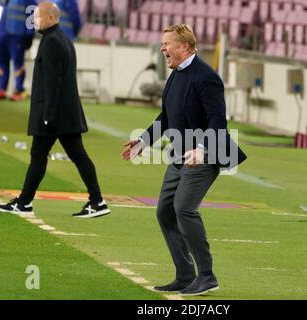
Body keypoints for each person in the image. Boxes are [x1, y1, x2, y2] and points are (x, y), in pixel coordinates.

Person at [121, 24, 246, 296]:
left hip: (205, 154)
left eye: (168, 44)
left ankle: (207, 276)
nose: (163, 48)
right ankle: (186, 275)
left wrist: (201, 148)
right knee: (165, 211)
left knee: (184, 208)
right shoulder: (176, 75)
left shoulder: (207, 77)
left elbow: (217, 121)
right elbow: (165, 118)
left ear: (186, 47)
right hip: (180, 154)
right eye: (162, 43)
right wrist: (142, 141)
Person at [0, 1, 109, 218]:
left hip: (54, 116)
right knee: (72, 156)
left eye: (38, 16)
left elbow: (52, 82)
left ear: (50, 18)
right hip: (64, 114)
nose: (34, 19)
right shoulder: (62, 39)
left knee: (41, 157)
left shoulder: (51, 42)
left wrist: (47, 115)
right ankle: (96, 201)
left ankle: (25, 202)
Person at [0, 0, 37, 101]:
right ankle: (2, 89)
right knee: (2, 62)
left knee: (18, 62)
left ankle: (19, 90)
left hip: (16, 34)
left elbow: (31, 11)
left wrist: (30, 33)